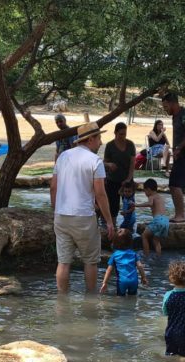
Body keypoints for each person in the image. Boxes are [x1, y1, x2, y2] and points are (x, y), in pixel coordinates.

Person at [49, 121, 116, 293]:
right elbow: (100, 194)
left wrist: (55, 210)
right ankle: (91, 300)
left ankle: (62, 302)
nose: (101, 142)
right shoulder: (95, 161)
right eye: (99, 138)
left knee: (63, 262)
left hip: (62, 215)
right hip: (84, 216)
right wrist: (109, 221)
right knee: (90, 261)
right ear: (90, 139)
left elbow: (53, 187)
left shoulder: (63, 156)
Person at [161, 92, 185, 222]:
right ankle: (179, 214)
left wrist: (179, 147)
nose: (165, 110)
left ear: (173, 103)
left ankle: (181, 215)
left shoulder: (184, 114)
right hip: (180, 155)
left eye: (166, 107)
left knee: (175, 185)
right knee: (173, 184)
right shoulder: (175, 116)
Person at [162, 261, 185, 359]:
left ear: (171, 277)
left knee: (170, 357)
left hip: (170, 333)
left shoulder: (167, 295)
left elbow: (165, 312)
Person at [103, 122, 136, 221]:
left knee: (130, 205)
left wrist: (129, 179)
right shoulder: (110, 145)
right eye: (120, 134)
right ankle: (113, 226)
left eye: (124, 134)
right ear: (115, 133)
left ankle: (128, 227)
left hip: (127, 181)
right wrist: (109, 165)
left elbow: (132, 163)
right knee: (113, 206)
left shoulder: (130, 144)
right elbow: (104, 162)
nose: (123, 136)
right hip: (113, 180)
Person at [101, 228, 148, 296]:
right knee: (132, 297)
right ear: (130, 241)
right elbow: (140, 266)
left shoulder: (115, 255)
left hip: (122, 281)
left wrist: (104, 283)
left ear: (115, 242)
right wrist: (143, 277)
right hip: (134, 281)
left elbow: (109, 270)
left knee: (120, 298)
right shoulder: (133, 254)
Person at [138, 177, 170, 258]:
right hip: (166, 221)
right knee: (156, 240)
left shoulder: (151, 196)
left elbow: (150, 203)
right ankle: (158, 257)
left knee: (144, 236)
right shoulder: (160, 196)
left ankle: (146, 256)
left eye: (144, 190)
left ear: (148, 189)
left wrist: (136, 205)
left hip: (158, 220)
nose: (144, 193)